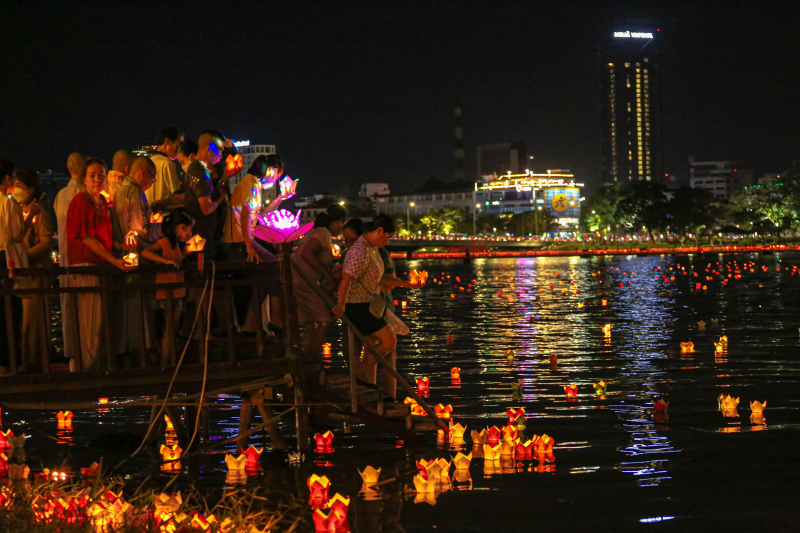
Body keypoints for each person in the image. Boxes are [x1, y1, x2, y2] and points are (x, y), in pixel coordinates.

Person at [332, 216, 422, 401]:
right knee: (388, 341)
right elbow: (347, 278)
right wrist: (341, 303)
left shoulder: (373, 249)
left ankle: (362, 379)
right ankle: (359, 375)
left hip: (368, 304)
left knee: (381, 344)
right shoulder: (360, 250)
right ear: (379, 231)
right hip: (357, 305)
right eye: (388, 237)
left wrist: (408, 284)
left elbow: (381, 278)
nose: (388, 241)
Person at [66, 157, 135, 370]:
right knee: (90, 324)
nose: (97, 180)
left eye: (101, 176)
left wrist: (121, 247)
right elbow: (87, 238)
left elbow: (102, 237)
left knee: (99, 322)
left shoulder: (103, 202)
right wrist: (114, 260)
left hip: (100, 265)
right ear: (84, 179)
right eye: (92, 175)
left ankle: (93, 368)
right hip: (87, 265)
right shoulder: (81, 201)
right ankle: (87, 371)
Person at [221, 154, 288, 335]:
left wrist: (280, 198)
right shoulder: (249, 184)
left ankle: (255, 321)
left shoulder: (254, 185)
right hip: (238, 244)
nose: (276, 181)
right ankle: (274, 318)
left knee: (269, 274)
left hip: (243, 241)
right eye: (278, 176)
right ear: (272, 171)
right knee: (274, 267)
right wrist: (249, 246)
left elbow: (260, 218)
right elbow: (244, 215)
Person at [111, 156, 158, 358]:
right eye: (152, 179)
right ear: (142, 173)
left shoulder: (119, 191)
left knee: (126, 310)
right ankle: (142, 352)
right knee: (140, 310)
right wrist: (158, 229)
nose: (151, 184)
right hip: (136, 257)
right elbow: (141, 230)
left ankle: (126, 351)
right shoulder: (136, 193)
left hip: (121, 256)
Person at [0, 160, 40, 371]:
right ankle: (8, 365)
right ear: (8, 179)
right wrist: (31, 214)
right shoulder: (8, 203)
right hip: (5, 261)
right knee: (9, 315)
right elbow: (16, 235)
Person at [293, 204, 346, 361]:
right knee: (325, 320)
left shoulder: (316, 232)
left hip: (298, 280)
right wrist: (327, 275)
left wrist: (329, 269)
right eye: (342, 224)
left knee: (311, 324)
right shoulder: (323, 233)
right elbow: (307, 253)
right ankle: (310, 359)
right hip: (304, 282)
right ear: (339, 222)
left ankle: (304, 358)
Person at [142, 208, 194, 361]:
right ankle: (166, 363)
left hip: (176, 288)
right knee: (171, 328)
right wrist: (164, 261)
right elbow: (145, 252)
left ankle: (168, 361)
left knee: (173, 327)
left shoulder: (176, 244)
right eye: (189, 229)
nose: (190, 233)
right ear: (181, 227)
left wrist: (186, 253)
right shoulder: (165, 242)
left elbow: (176, 262)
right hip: (169, 289)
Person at [15, 169, 54, 371]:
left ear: (30, 189)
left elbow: (47, 240)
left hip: (36, 272)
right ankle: (23, 359)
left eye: (19, 186)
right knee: (23, 322)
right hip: (21, 275)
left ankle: (34, 361)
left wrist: (25, 256)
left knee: (33, 322)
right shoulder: (17, 210)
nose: (16, 190)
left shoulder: (39, 212)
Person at [54, 151, 88, 363]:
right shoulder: (83, 194)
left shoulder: (60, 195)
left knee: (68, 308)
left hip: (66, 259)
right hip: (82, 259)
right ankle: (86, 356)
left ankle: (72, 355)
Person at [182, 132, 227, 263]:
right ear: (208, 148)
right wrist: (220, 199)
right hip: (202, 236)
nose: (221, 155)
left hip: (196, 233)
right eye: (220, 150)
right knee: (204, 273)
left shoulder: (194, 168)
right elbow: (206, 209)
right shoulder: (201, 173)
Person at [146, 126, 183, 205]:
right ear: (167, 141)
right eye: (178, 146)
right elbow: (176, 194)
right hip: (164, 214)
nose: (179, 150)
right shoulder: (167, 163)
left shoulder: (147, 162)